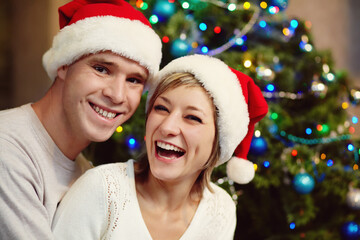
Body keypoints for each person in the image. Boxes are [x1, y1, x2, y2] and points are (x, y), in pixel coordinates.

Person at [51, 54, 268, 240]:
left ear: (219, 142)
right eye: (161, 108)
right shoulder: (101, 190)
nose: (167, 127)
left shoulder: (221, 209)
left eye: (192, 117)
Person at [0, 0, 162, 239]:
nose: (117, 95)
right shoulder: (8, 150)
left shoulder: (86, 173)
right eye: (102, 69)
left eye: (134, 80)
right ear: (64, 65)